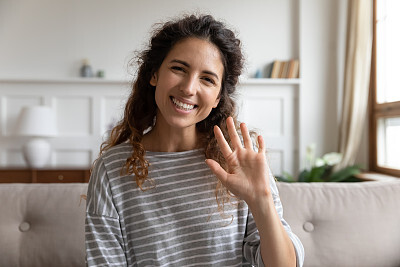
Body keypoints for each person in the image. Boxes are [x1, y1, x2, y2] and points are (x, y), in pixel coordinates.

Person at [85, 14, 304, 267]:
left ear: (217, 99)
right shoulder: (112, 169)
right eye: (178, 69)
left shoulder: (239, 160)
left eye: (207, 79)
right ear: (154, 74)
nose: (189, 88)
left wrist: (261, 199)